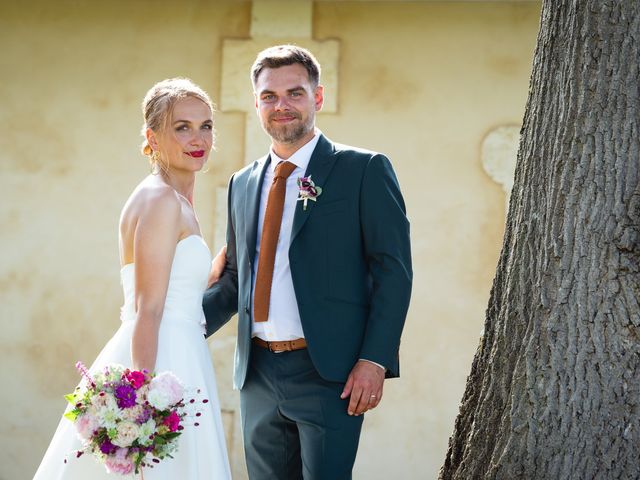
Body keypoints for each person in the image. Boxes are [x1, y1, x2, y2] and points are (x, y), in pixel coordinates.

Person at [203, 45, 412, 479]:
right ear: (256, 103)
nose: (281, 106)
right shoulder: (242, 184)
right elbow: (238, 279)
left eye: (294, 93)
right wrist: (178, 325)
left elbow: (393, 271)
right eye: (268, 96)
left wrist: (374, 360)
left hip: (329, 373)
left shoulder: (363, 169)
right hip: (256, 374)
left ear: (318, 98)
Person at [33, 78, 231, 479]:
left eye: (206, 125)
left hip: (182, 350)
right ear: (152, 137)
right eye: (182, 127)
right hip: (163, 360)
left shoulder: (172, 198)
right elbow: (147, 307)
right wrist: (144, 408)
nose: (199, 138)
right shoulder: (159, 199)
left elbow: (179, 287)